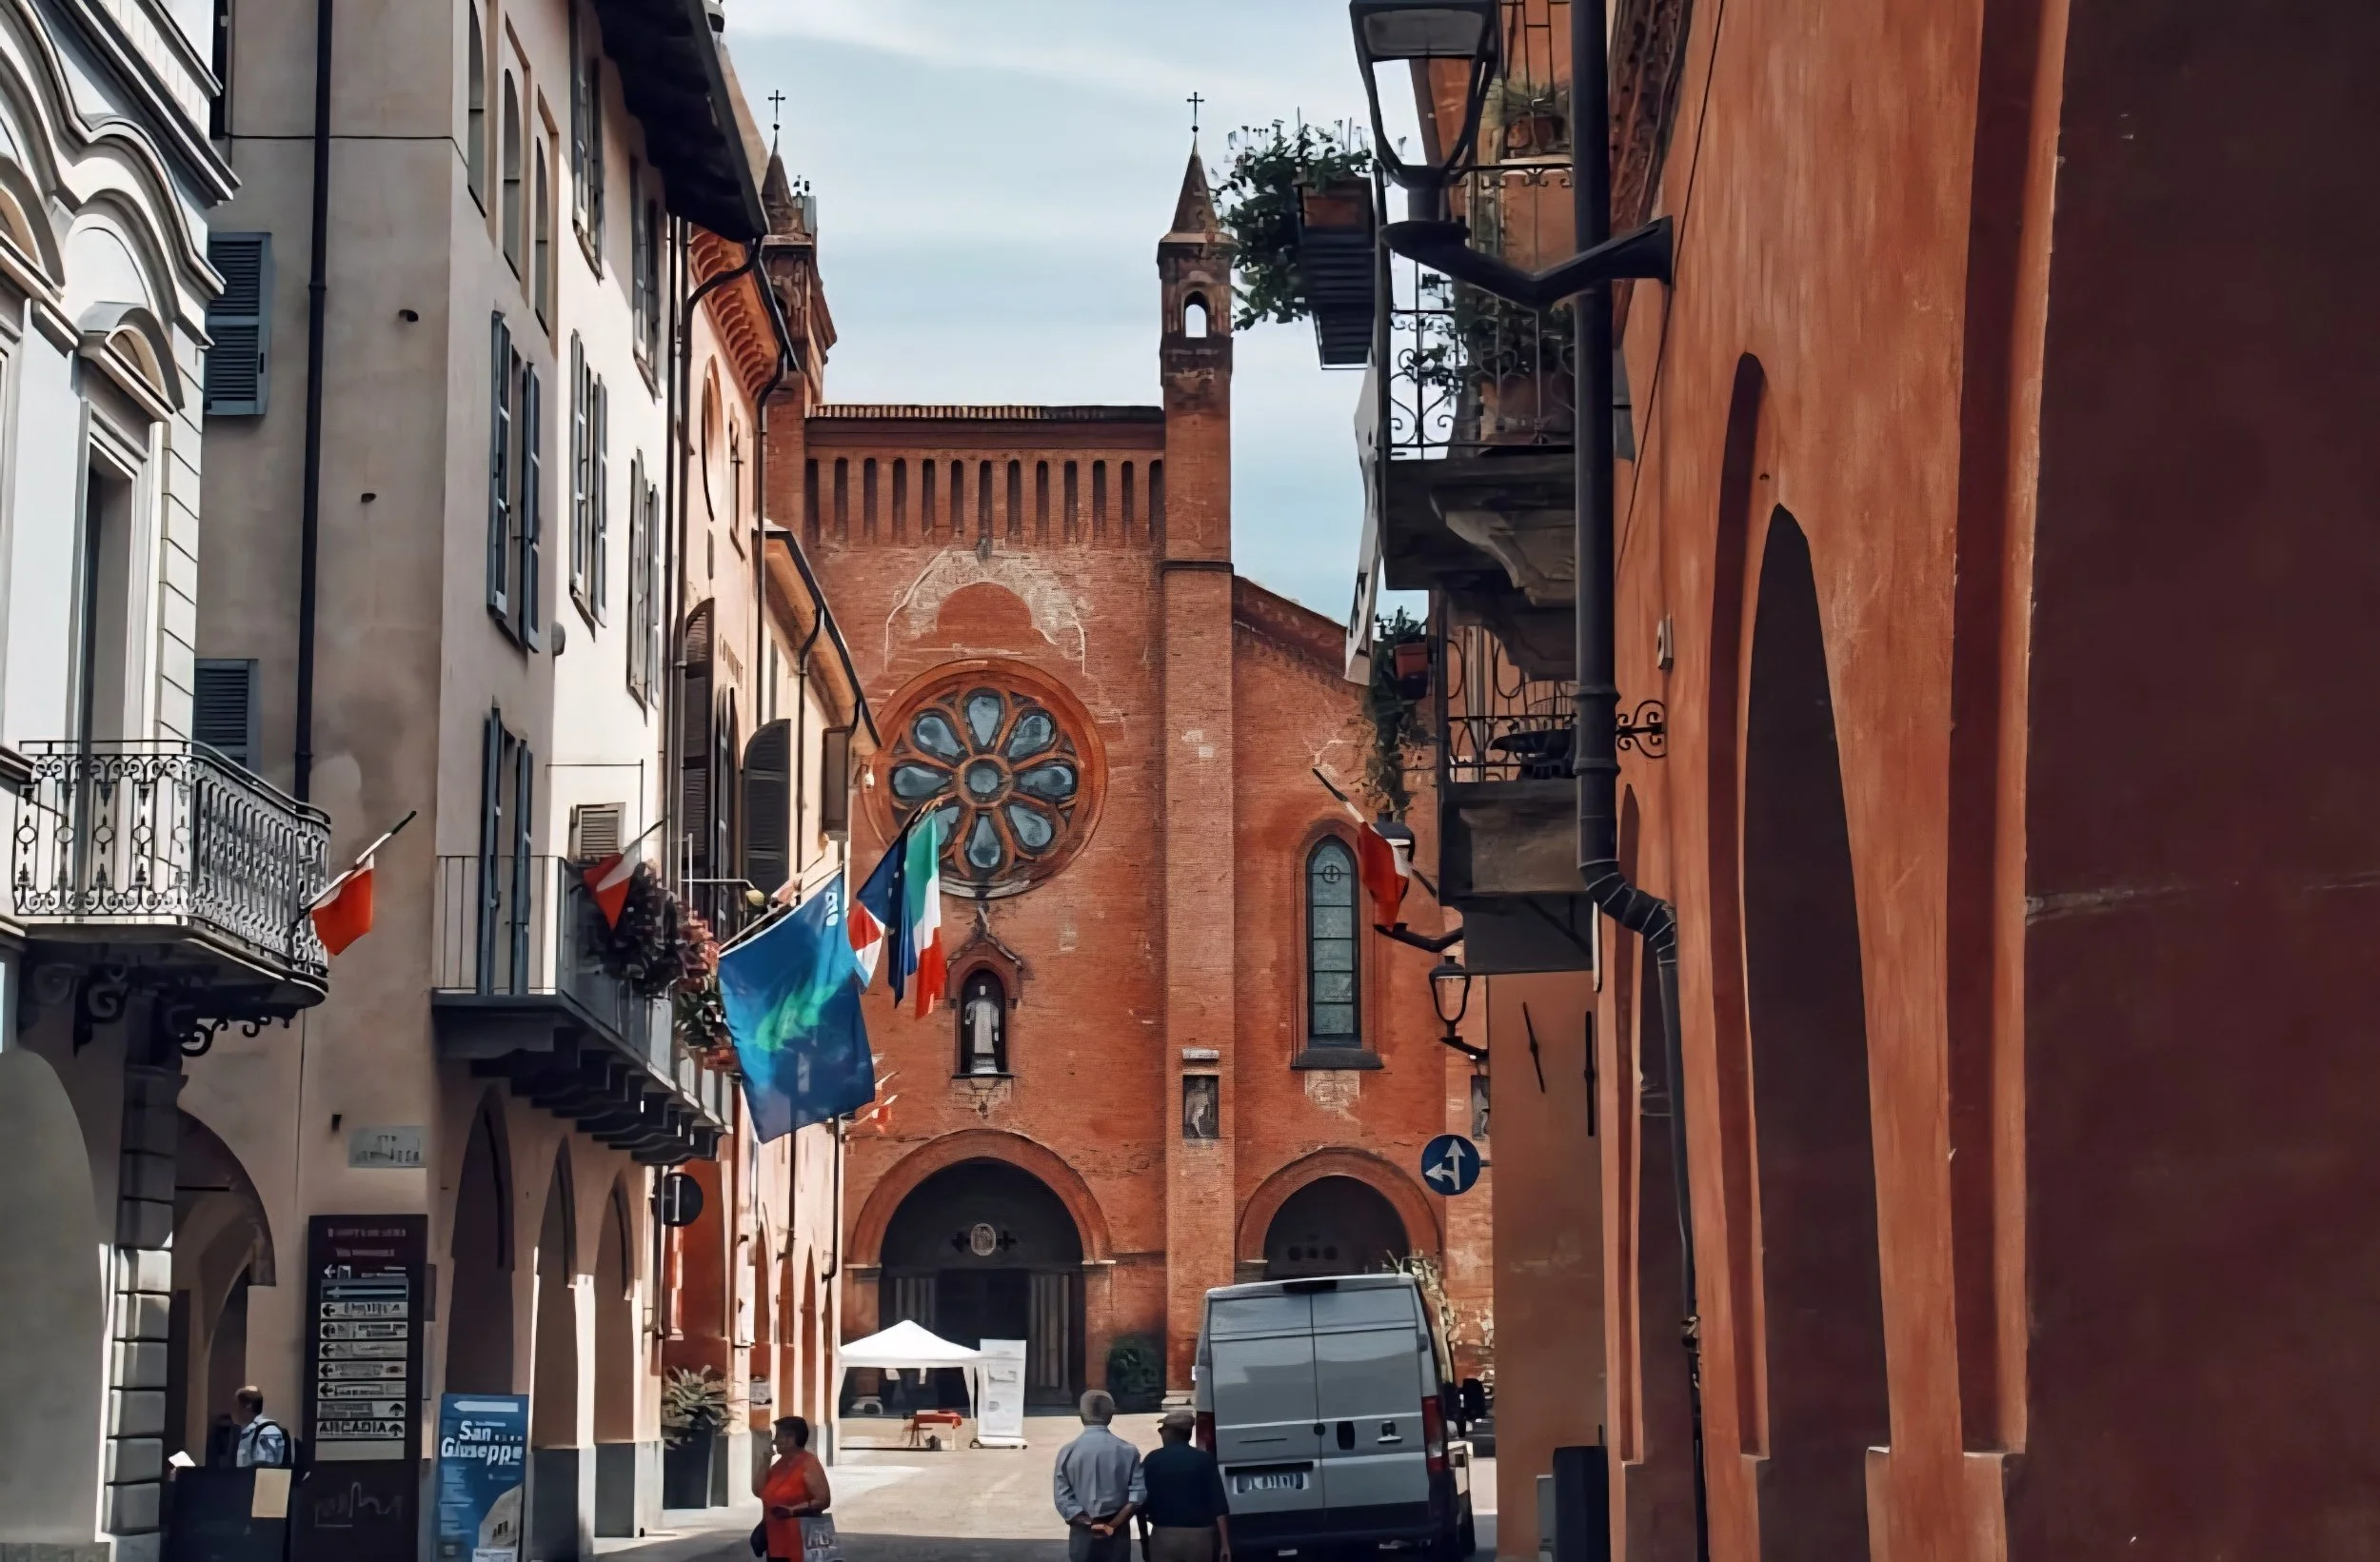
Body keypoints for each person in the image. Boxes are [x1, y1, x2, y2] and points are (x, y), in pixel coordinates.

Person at [1052, 1390, 1144, 1562]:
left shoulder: (1068, 1451)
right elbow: (1137, 1497)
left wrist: (1090, 1523)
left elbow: (1062, 1498)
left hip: (1082, 1532)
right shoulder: (1129, 1451)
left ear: (1081, 1416)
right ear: (1111, 1415)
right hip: (1117, 1531)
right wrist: (1111, 1525)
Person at [1138, 1407, 1232, 1562]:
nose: (1160, 1433)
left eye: (1162, 1430)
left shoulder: (1152, 1460)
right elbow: (1219, 1504)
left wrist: (1144, 1539)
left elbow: (1139, 1503)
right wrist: (1225, 1544)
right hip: (1201, 1538)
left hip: (1164, 1536)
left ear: (1170, 1433)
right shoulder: (1204, 1460)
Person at [754, 1415, 832, 1562]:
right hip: (776, 1542)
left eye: (788, 1435)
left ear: (799, 1438)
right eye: (778, 1435)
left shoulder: (808, 1464)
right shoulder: (778, 1466)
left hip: (803, 1543)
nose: (781, 1440)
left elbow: (823, 1500)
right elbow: (759, 1491)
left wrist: (793, 1510)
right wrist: (765, 1461)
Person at [230, 1388, 288, 1469]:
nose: (234, 1411)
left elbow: (266, 1468)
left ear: (248, 1407)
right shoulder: (245, 1432)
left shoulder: (267, 1431)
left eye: (237, 1406)